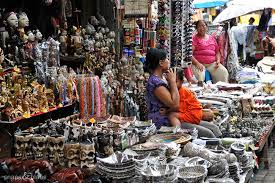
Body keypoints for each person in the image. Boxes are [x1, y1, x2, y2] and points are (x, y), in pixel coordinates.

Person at [167, 69, 222, 138]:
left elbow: (178, 107)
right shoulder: (170, 91)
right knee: (208, 133)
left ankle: (220, 142)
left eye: (175, 82)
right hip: (185, 118)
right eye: (169, 81)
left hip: (192, 116)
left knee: (214, 127)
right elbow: (176, 108)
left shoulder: (183, 91)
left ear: (182, 82)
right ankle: (178, 134)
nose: (172, 84)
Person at [145, 48, 180, 129]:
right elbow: (175, 104)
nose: (168, 61)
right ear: (161, 63)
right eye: (167, 59)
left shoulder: (162, 77)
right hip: (161, 121)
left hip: (169, 117)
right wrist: (173, 82)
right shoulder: (155, 82)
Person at [192, 20, 229, 86]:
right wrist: (197, 63)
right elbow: (190, 54)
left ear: (206, 27)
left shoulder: (211, 38)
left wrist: (218, 61)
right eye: (199, 26)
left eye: (203, 26)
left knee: (223, 72)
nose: (202, 28)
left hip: (212, 64)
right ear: (196, 28)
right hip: (199, 64)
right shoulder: (194, 38)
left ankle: (222, 91)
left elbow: (217, 52)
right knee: (200, 77)